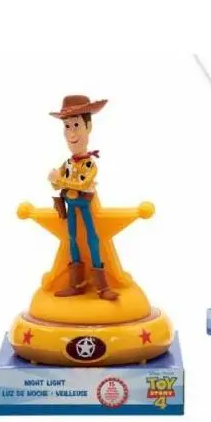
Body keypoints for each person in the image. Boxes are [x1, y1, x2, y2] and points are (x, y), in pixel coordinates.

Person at [48, 95, 118, 300]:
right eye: (67, 126)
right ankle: (76, 283)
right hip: (70, 206)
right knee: (72, 239)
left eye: (76, 125)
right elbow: (57, 184)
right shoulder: (67, 163)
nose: (72, 133)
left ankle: (102, 287)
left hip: (85, 206)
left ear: (88, 127)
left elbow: (83, 184)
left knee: (92, 239)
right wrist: (53, 180)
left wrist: (60, 180)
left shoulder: (90, 164)